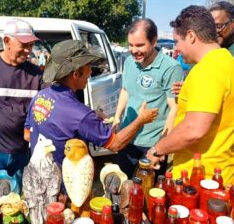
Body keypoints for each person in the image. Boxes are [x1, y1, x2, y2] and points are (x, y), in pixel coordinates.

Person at [25, 40, 158, 176]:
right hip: (65, 188)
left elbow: (27, 134)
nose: (90, 73)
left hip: (37, 177)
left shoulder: (40, 97)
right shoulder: (81, 115)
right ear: (76, 74)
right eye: (89, 67)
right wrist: (140, 120)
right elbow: (116, 144)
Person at [146, 5, 234, 186]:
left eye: (177, 41)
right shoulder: (230, 63)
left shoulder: (207, 70)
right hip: (223, 172)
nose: (177, 49)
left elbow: (193, 130)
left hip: (200, 180)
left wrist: (158, 149)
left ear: (191, 35)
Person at [0, 18, 45, 209]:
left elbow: (53, 102)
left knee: (15, 204)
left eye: (31, 45)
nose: (28, 50)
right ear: (7, 41)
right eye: (23, 44)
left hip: (21, 153)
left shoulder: (36, 74)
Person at [112, 18, 184, 180]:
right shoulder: (129, 62)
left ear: (153, 41)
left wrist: (161, 147)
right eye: (130, 45)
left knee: (147, 191)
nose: (134, 50)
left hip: (151, 144)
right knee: (123, 185)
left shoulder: (171, 68)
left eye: (139, 45)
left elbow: (174, 108)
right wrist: (117, 118)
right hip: (127, 136)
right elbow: (125, 90)